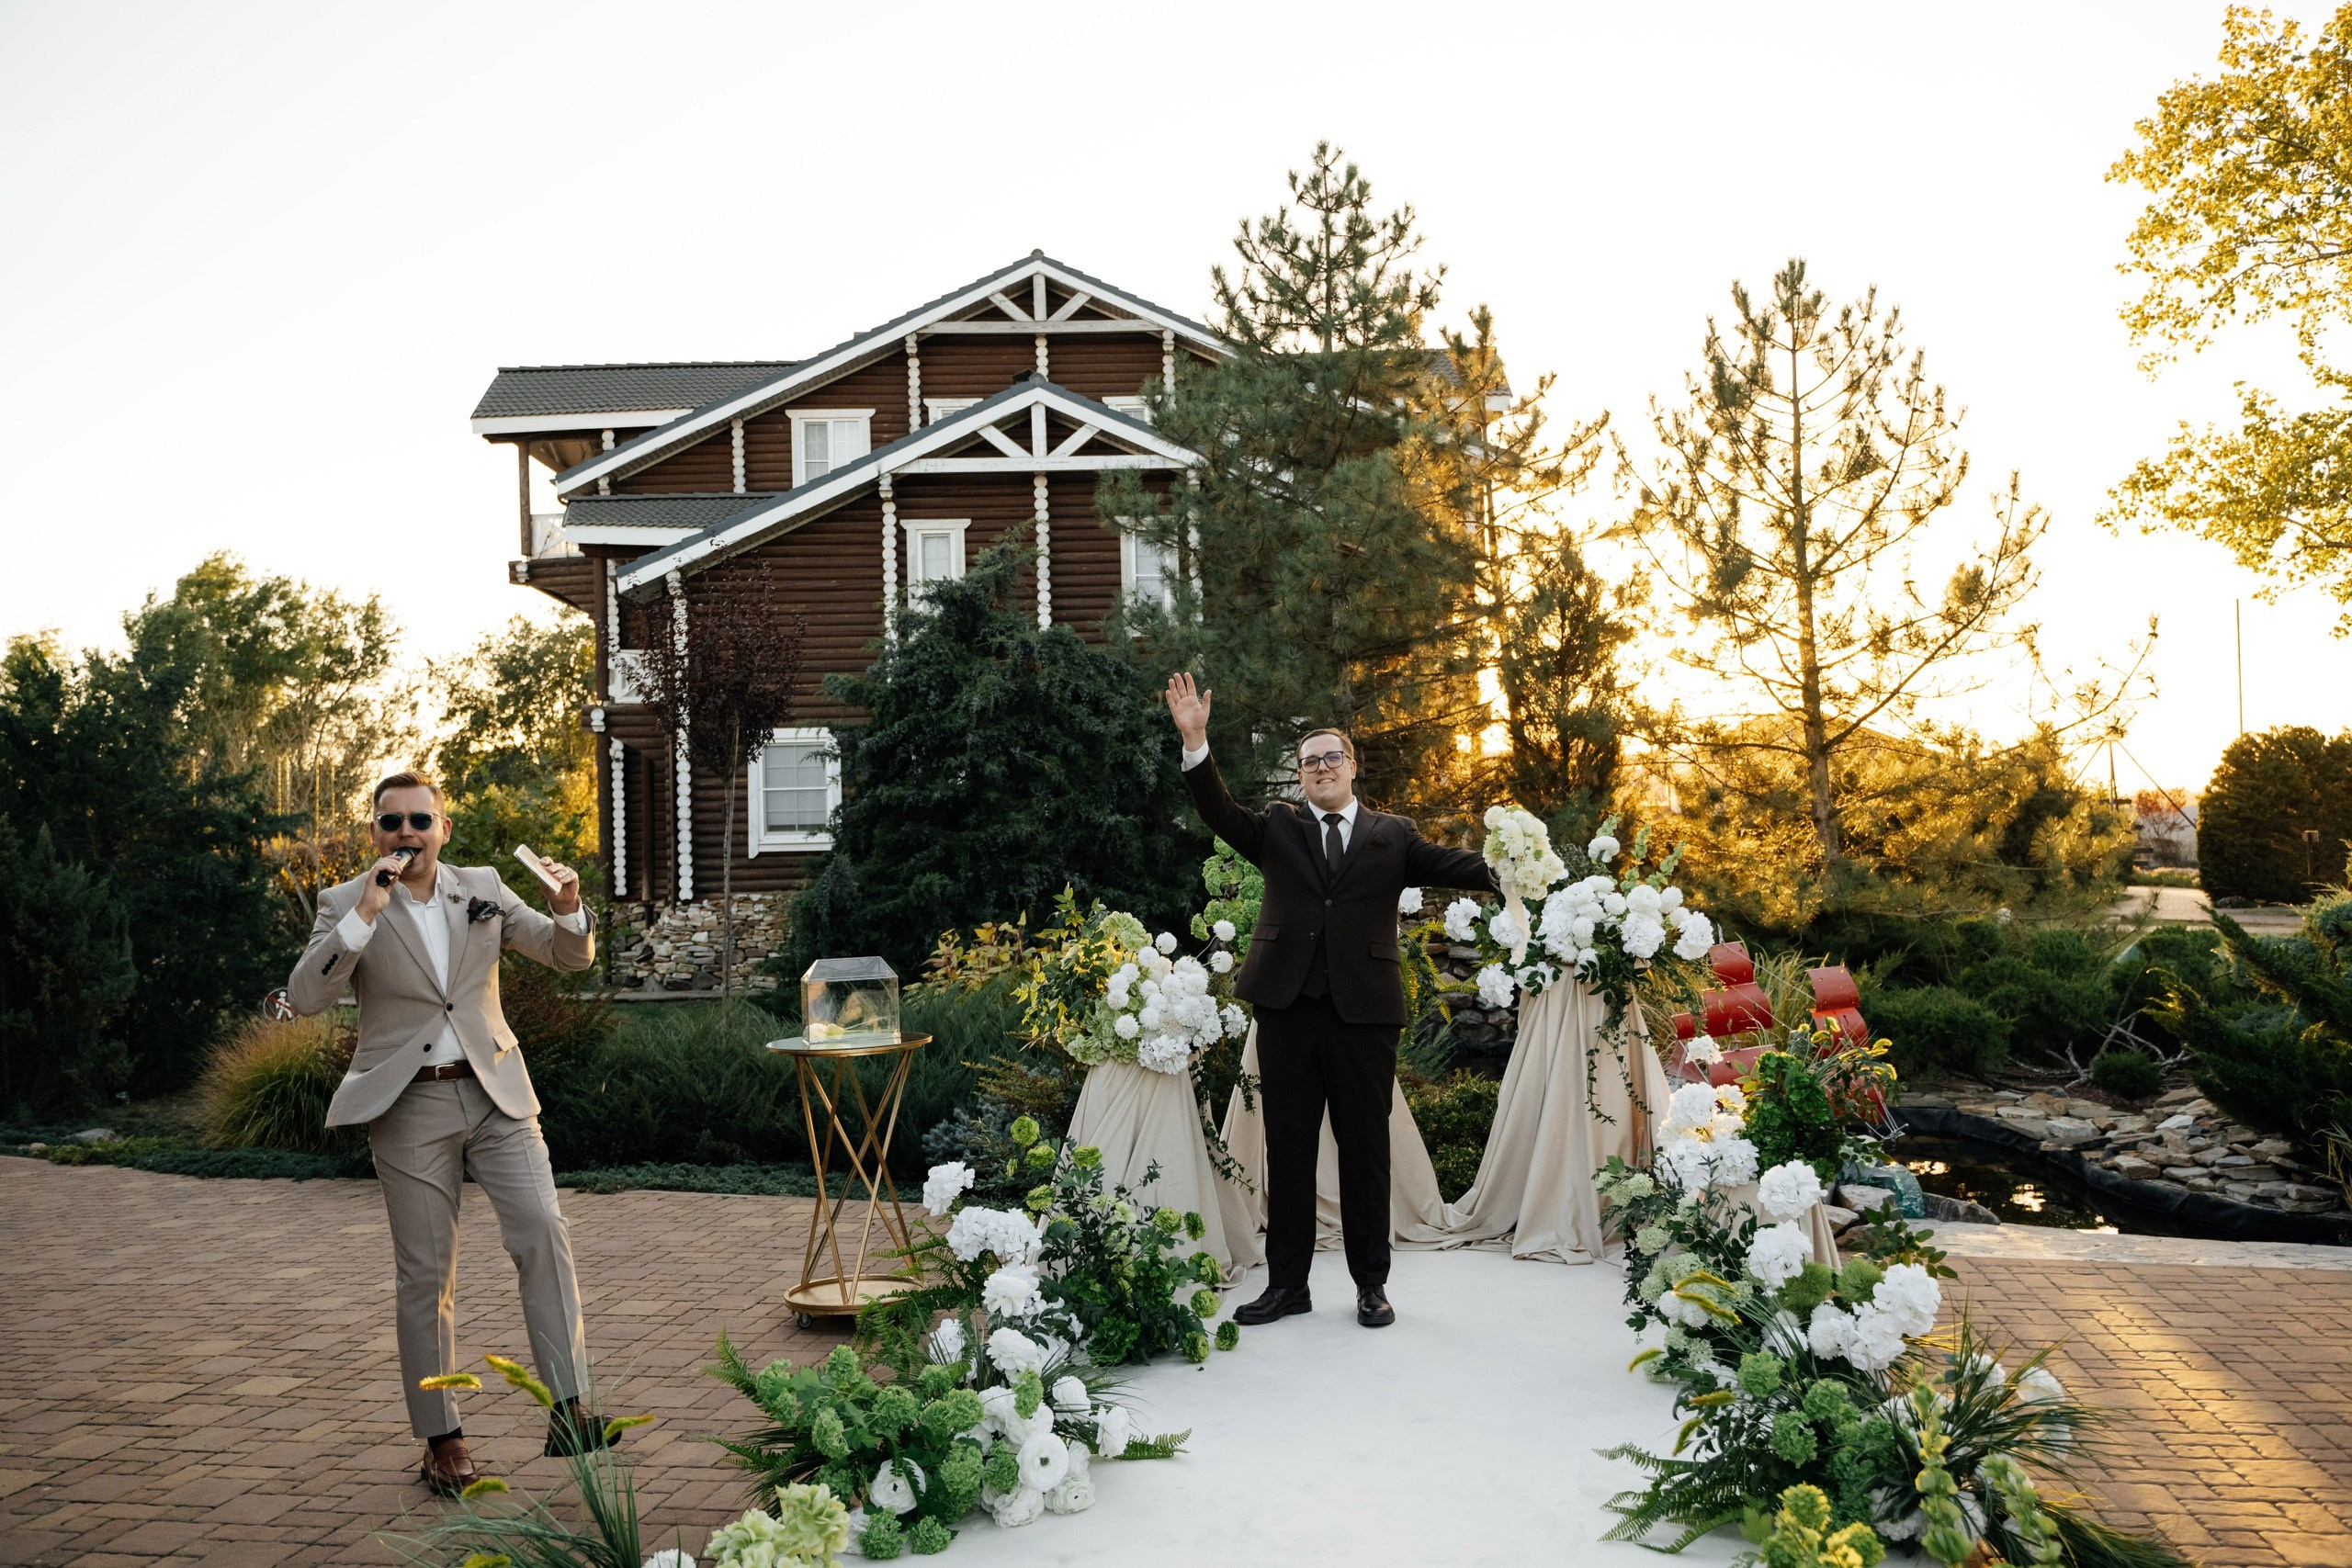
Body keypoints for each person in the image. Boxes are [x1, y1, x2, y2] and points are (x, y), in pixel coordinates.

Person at [285, 771, 609, 1495]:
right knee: (427, 1275)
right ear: (374, 832)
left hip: (496, 1095)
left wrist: (569, 908)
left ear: (444, 828)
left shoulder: (483, 885)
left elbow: (566, 956)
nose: (407, 834)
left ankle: (569, 1404)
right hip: (409, 1108)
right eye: (392, 822)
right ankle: (442, 1438)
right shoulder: (345, 901)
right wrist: (365, 911)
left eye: (420, 821)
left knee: (543, 1232)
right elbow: (306, 996)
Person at [1166, 674, 1496, 1328]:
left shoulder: (1392, 833)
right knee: (1286, 1149)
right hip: (1287, 1009)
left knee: (1366, 1150)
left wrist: (1516, 861)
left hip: (1365, 1014)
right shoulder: (1278, 829)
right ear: (1300, 775)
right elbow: (1218, 811)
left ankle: (1371, 1284)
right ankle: (1288, 1284)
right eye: (1309, 760)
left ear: (1352, 767)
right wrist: (1196, 741)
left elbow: (1458, 866)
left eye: (1331, 756)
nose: (1320, 767)